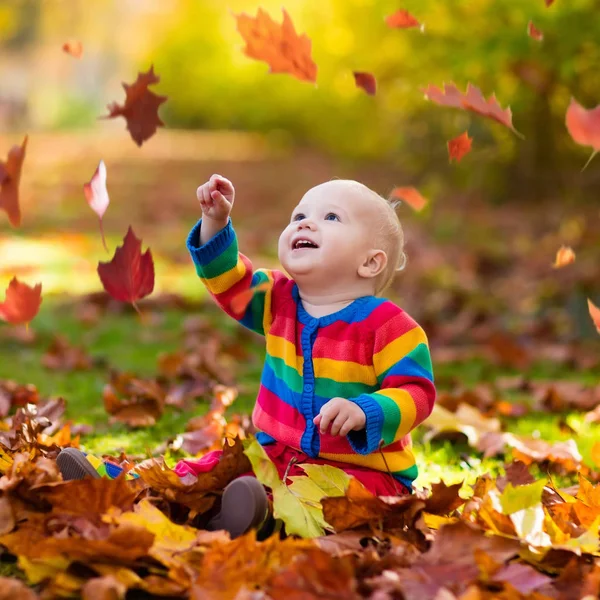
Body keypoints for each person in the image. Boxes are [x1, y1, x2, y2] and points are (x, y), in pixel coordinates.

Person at [57, 174, 436, 539]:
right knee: (213, 469)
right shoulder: (278, 298)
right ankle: (130, 487)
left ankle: (256, 519)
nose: (305, 225)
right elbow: (231, 282)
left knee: (332, 504)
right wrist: (215, 222)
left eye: (331, 217)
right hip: (276, 454)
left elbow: (417, 392)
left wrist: (366, 411)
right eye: (299, 216)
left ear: (370, 262)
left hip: (362, 471)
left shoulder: (389, 327)